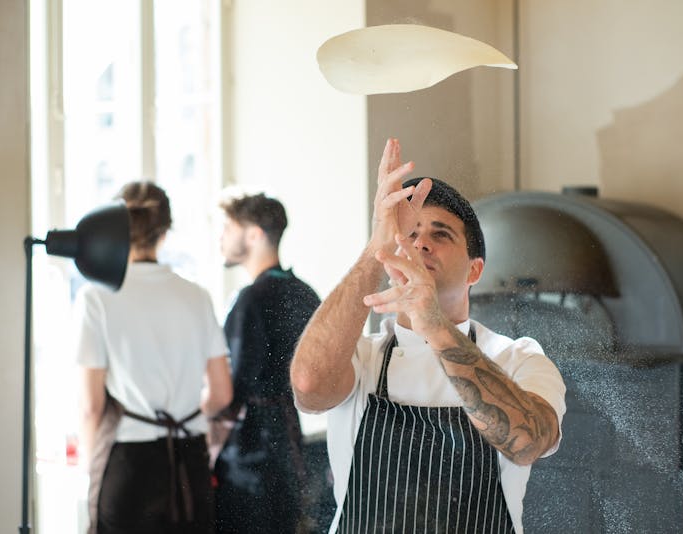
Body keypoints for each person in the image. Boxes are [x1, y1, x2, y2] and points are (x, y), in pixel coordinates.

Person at [290, 138, 567, 533]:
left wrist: (433, 324)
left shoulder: (518, 358)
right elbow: (309, 387)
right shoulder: (362, 358)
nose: (420, 243)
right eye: (410, 234)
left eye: (441, 234)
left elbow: (528, 441)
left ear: (475, 271)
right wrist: (377, 246)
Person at [75, 181, 233, 534]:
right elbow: (221, 394)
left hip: (128, 463)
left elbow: (91, 406)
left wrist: (89, 465)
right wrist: (184, 415)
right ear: (165, 230)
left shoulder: (97, 298)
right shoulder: (197, 296)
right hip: (189, 463)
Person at [212, 192, 322, 534]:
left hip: (249, 460)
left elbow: (234, 387)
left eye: (229, 228)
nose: (222, 238)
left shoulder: (249, 300)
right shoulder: (305, 293)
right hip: (289, 451)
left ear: (254, 234)